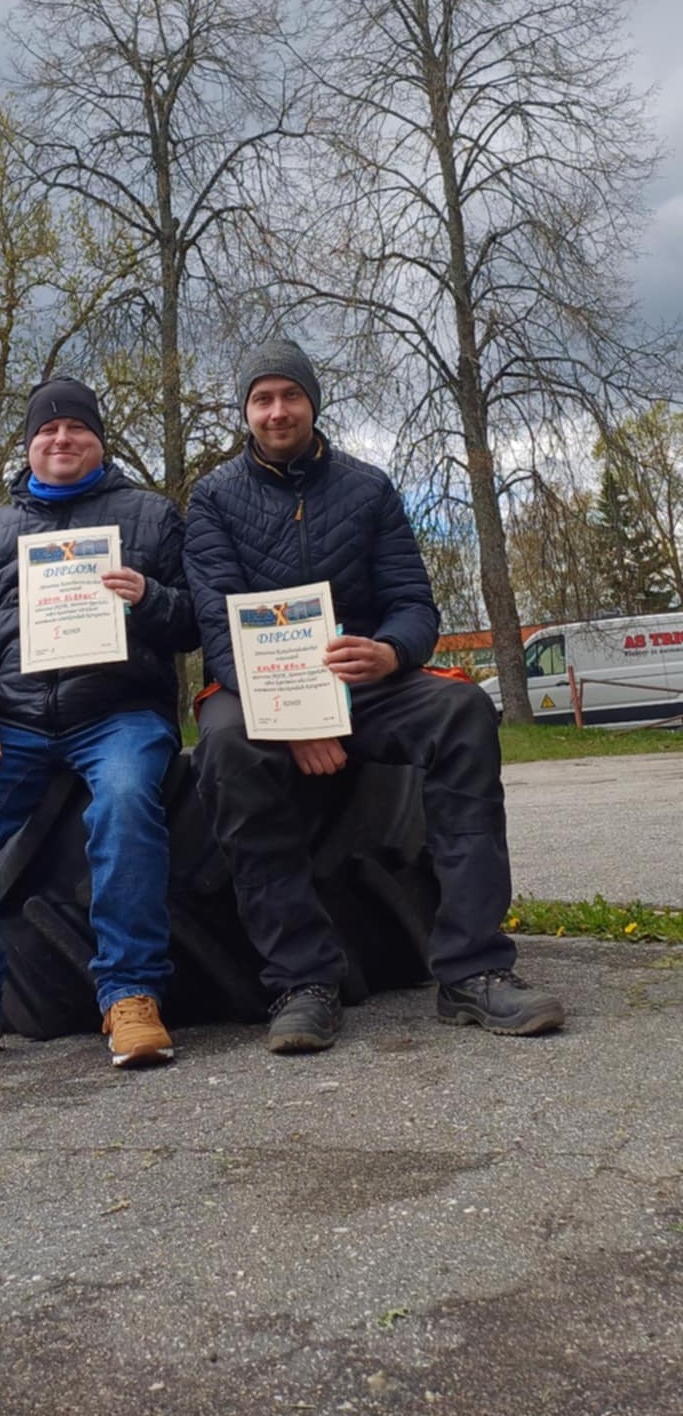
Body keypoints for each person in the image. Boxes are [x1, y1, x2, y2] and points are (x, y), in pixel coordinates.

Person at [184, 338, 564, 1054]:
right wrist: (293, 720)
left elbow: (414, 605)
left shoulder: (368, 488)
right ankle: (302, 981)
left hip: (364, 683)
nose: (277, 411)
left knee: (464, 712)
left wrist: (390, 650)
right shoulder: (212, 498)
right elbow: (217, 626)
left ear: (312, 402)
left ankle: (473, 968)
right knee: (228, 744)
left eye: (290, 395)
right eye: (262, 399)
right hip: (258, 689)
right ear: (245, 412)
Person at [0, 376, 197, 1077]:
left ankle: (131, 995)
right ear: (28, 446)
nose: (61, 438)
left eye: (76, 427)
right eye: (47, 430)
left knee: (124, 800)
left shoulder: (150, 516)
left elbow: (195, 623)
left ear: (100, 441)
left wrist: (149, 597)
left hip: (120, 715)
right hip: (15, 722)